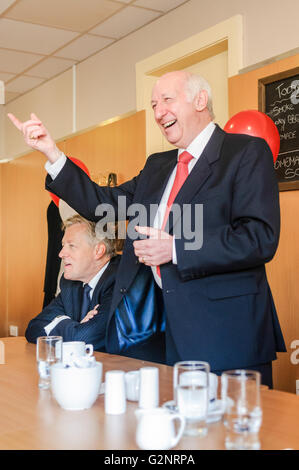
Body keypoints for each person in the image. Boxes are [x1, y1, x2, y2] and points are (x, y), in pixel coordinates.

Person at [9, 70, 286, 387]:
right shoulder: (158, 165)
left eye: (167, 100)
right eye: (154, 104)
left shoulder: (245, 153)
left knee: (233, 431)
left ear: (200, 100)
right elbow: (104, 205)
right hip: (161, 337)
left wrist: (176, 249)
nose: (158, 112)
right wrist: (52, 154)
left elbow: (259, 237)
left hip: (227, 335)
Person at [25, 214, 120, 351]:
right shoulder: (70, 283)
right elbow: (33, 329)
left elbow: (85, 339)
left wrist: (59, 323)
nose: (61, 253)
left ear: (98, 250)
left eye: (71, 245)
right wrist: (74, 326)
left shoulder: (119, 280)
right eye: (63, 245)